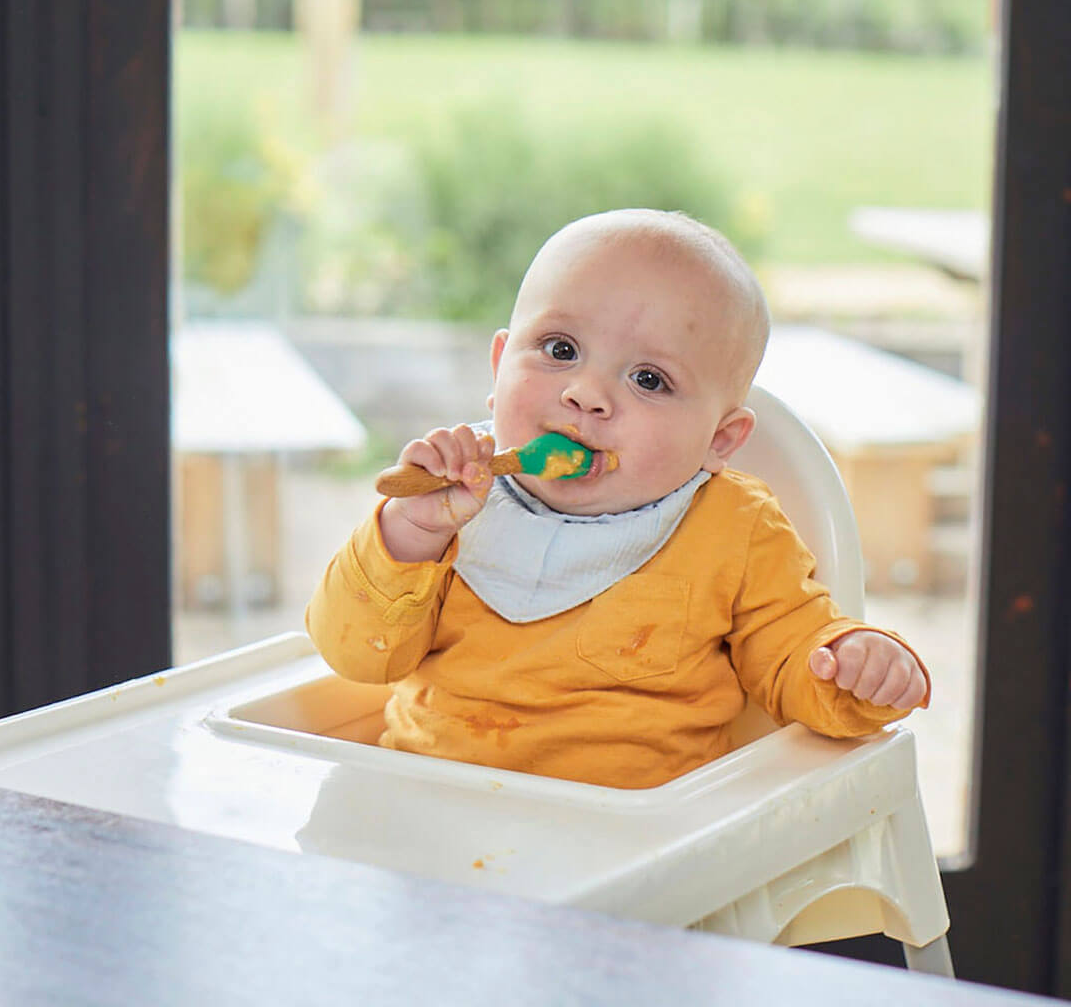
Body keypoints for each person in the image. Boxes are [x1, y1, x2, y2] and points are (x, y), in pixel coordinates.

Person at [306, 208, 929, 789]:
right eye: (560, 350)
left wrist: (851, 667)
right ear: (499, 367)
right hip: (430, 804)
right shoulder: (452, 497)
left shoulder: (736, 528)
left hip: (633, 839)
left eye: (649, 380)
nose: (586, 394)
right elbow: (355, 656)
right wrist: (411, 533)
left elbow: (792, 652)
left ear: (719, 439)